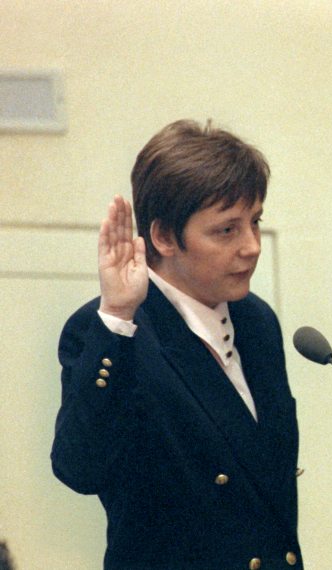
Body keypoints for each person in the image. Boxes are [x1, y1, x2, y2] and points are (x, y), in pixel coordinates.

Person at [51, 120, 303, 570]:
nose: (252, 247)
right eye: (226, 230)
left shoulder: (256, 320)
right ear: (164, 237)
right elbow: (79, 467)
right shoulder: (113, 329)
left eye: (255, 222)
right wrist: (117, 319)